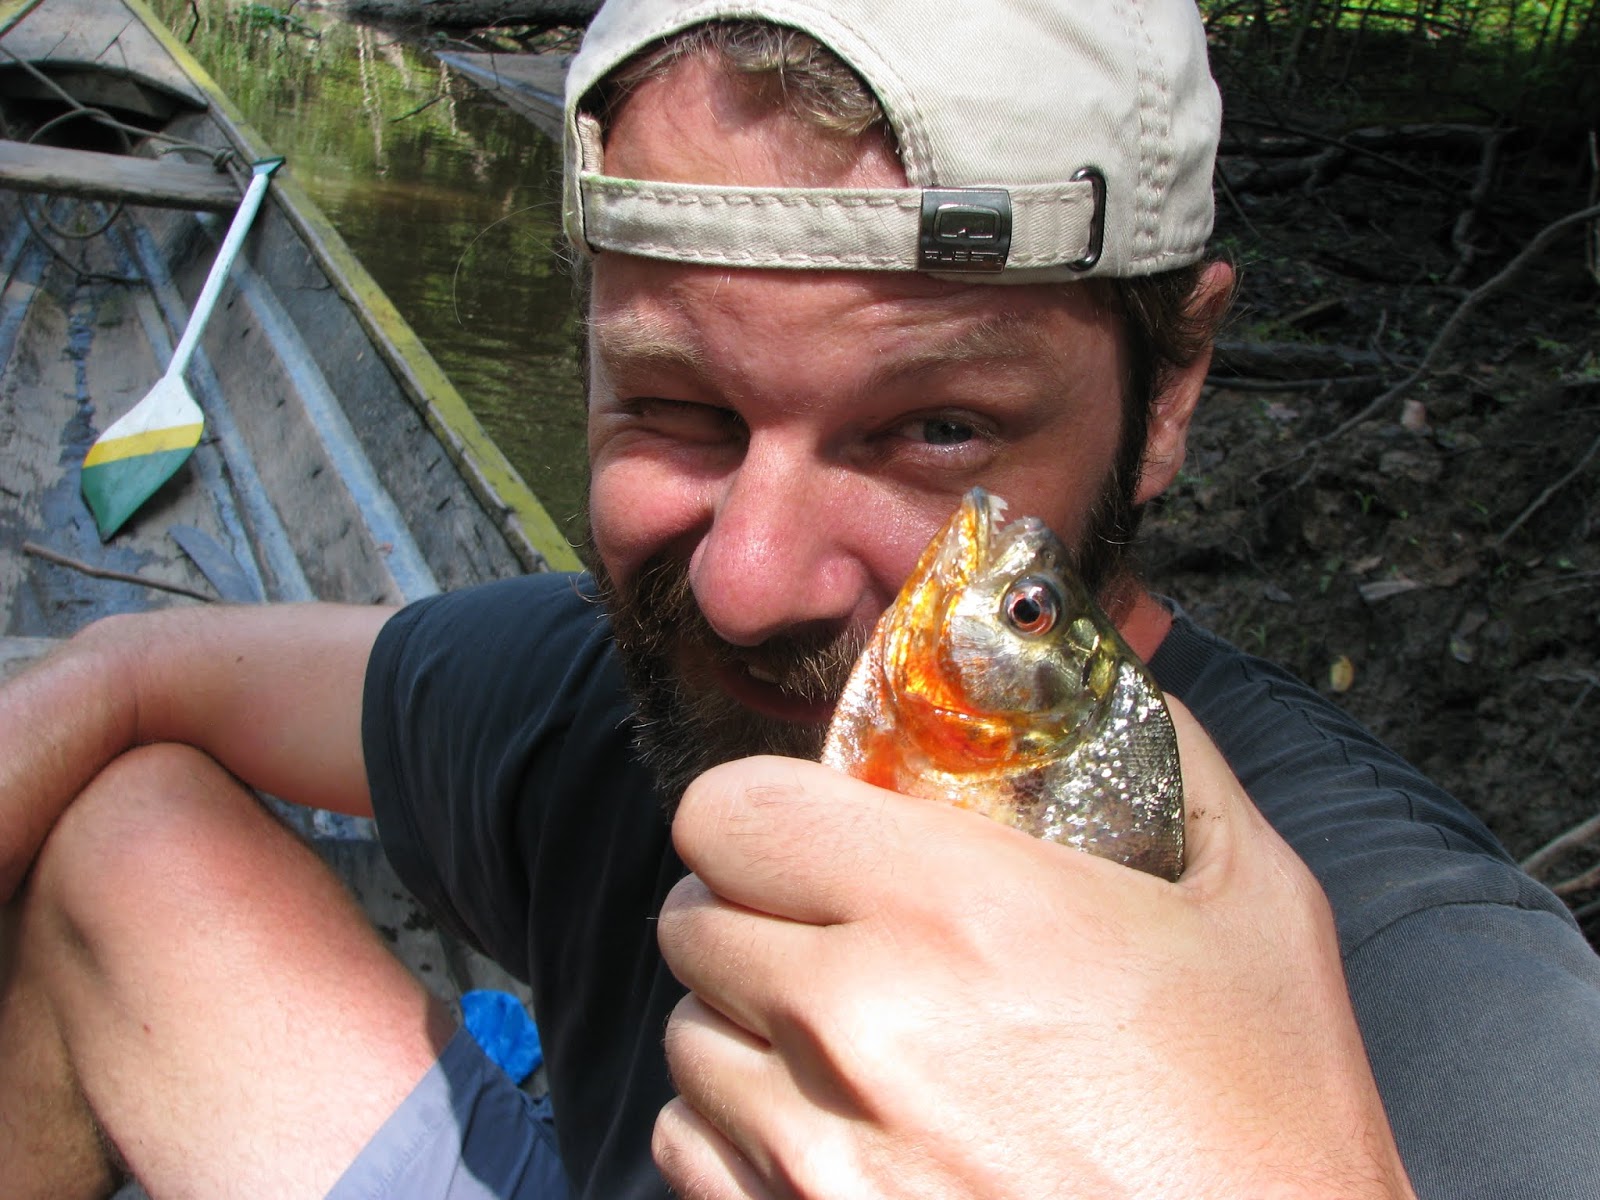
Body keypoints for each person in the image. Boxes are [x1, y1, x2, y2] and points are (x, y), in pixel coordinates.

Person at [3, 0, 1598, 1196]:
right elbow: (141, 666)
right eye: (676, 406)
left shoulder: (1436, 991)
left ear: (1170, 389)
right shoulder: (623, 688)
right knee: (124, 831)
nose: (747, 583)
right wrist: (79, 690)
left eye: (938, 428)